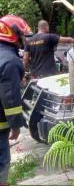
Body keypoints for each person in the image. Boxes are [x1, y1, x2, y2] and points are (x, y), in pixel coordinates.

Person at [0, 15, 32, 185]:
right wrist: (16, 125)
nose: (24, 40)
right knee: (2, 161)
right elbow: (10, 98)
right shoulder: (10, 61)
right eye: (22, 36)